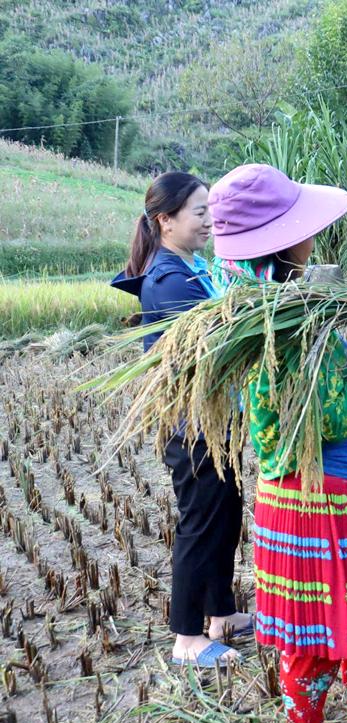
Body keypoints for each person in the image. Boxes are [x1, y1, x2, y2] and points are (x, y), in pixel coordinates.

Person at [209, 163, 347, 723]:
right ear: (279, 243)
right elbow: (321, 419)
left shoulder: (283, 309)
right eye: (303, 229)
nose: (313, 238)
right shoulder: (278, 330)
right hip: (310, 503)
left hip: (334, 495)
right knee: (317, 635)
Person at [111, 172, 251, 668]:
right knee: (200, 523)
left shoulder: (190, 265)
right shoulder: (167, 279)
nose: (209, 221)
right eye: (199, 212)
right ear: (165, 221)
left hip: (218, 417)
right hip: (192, 425)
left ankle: (221, 615)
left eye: (210, 210)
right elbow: (212, 348)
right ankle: (187, 637)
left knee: (225, 515)